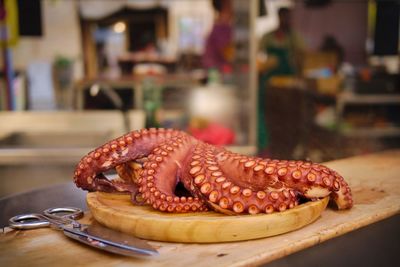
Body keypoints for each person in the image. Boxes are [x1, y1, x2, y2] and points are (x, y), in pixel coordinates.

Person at [257, 7, 305, 154]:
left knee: (289, 117)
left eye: (287, 17)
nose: (285, 20)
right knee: (271, 117)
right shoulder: (268, 37)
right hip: (270, 82)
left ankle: (288, 146)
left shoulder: (294, 37)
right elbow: (258, 56)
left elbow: (302, 56)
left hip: (288, 82)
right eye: (282, 17)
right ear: (278, 17)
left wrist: (299, 71)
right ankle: (271, 144)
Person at [202, 0, 234, 72]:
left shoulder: (221, 26)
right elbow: (227, 52)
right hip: (217, 72)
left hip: (216, 70)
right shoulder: (221, 27)